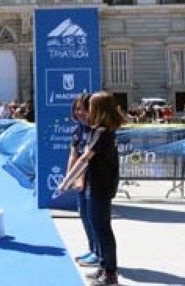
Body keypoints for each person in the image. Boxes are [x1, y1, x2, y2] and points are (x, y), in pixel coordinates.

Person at [60, 91, 126, 286]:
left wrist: (66, 181)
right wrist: (72, 179)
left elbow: (84, 158)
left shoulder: (103, 133)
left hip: (101, 186)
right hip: (94, 184)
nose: (88, 111)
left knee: (102, 228)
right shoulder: (97, 131)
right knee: (96, 227)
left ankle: (110, 273)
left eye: (92, 107)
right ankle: (104, 267)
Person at [65, 93, 99, 268]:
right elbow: (73, 155)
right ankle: (92, 248)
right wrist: (68, 178)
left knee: (94, 218)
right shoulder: (78, 130)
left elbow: (86, 159)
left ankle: (99, 253)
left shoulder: (95, 130)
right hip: (81, 181)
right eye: (77, 109)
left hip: (93, 180)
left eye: (83, 109)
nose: (79, 112)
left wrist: (79, 178)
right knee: (84, 216)